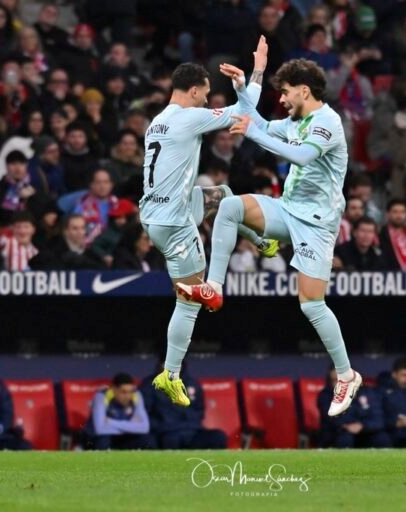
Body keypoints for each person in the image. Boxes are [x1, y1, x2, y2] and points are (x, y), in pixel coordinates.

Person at [189, 58, 364, 417]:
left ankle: (347, 375)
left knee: (311, 304)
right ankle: (215, 287)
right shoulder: (297, 120)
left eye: (285, 92)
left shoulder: (328, 123)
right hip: (288, 209)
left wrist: (253, 132)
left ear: (304, 90)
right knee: (231, 207)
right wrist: (243, 85)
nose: (281, 99)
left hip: (317, 224)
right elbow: (265, 124)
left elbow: (297, 154)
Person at [139, 39, 277, 408]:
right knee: (193, 300)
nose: (206, 100)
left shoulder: (158, 122)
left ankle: (259, 241)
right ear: (196, 89)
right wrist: (252, 76)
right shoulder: (189, 117)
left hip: (161, 212)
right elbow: (246, 111)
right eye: (205, 94)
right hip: (174, 224)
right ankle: (170, 374)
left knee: (223, 195)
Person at [140, 363, 227, 449]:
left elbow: (200, 411)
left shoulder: (192, 384)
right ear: (160, 365)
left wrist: (190, 423)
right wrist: (163, 426)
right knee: (170, 440)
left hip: (193, 431)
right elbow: (145, 414)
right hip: (166, 432)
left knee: (218, 437)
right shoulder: (149, 385)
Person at [317, 366, 390, 448]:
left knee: (382, 438)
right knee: (345, 438)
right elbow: (331, 419)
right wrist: (347, 426)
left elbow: (378, 419)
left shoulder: (368, 393)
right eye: (335, 380)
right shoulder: (325, 396)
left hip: (365, 432)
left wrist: (363, 425)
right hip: (340, 433)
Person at [83, 373, 155, 450]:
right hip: (98, 438)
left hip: (122, 437)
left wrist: (110, 422)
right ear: (114, 389)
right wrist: (130, 427)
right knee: (103, 440)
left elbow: (144, 428)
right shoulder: (101, 396)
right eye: (123, 392)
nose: (128, 396)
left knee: (147, 440)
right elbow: (100, 429)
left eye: (130, 391)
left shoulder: (136, 395)